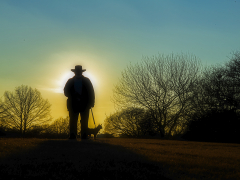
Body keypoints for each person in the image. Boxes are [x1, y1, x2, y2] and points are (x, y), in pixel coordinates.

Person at [64, 65, 95, 140]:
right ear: (75, 72)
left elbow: (91, 92)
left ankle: (84, 135)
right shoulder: (70, 81)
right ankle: (72, 135)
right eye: (77, 71)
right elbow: (65, 92)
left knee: (84, 120)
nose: (78, 73)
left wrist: (91, 103)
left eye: (79, 71)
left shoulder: (87, 81)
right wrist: (74, 94)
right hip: (73, 104)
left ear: (81, 72)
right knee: (73, 120)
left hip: (84, 104)